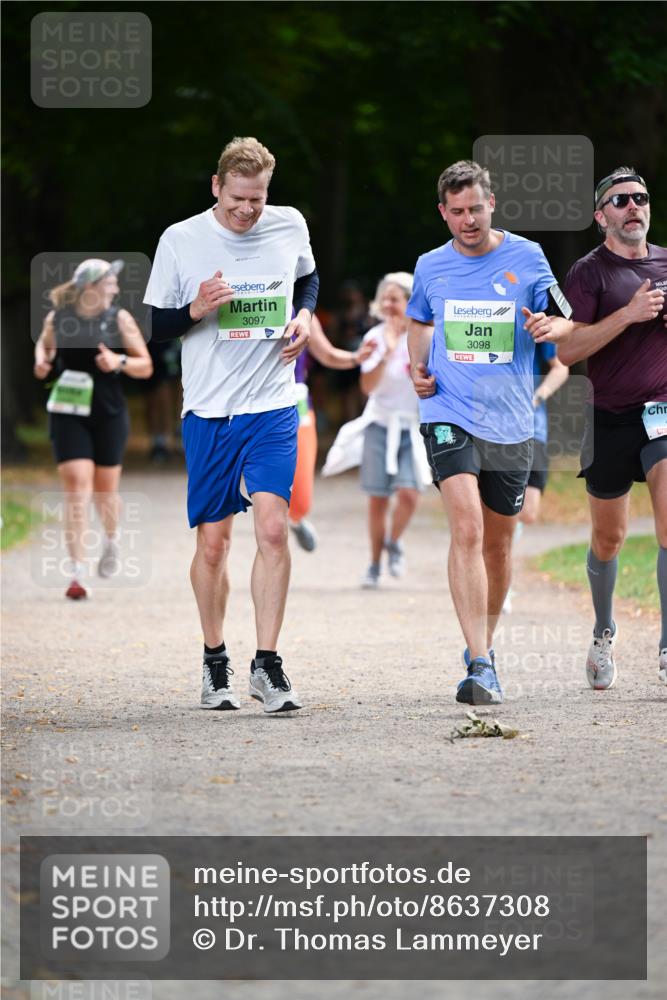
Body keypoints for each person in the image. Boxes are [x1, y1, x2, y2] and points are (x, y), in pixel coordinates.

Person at [143, 136, 318, 714]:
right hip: (210, 411)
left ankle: (267, 665)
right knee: (214, 545)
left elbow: (307, 278)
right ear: (217, 187)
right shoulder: (181, 239)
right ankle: (214, 659)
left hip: (271, 404)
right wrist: (195, 310)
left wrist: (304, 316)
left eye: (258, 200)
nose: (248, 211)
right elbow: (154, 327)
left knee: (273, 529)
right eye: (239, 199)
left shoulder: (289, 224)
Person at [406, 160, 573, 705]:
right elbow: (420, 320)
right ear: (443, 213)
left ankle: (487, 647)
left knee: (500, 545)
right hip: (447, 412)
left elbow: (567, 316)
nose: (467, 220)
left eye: (475, 208)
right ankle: (478, 660)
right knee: (468, 529)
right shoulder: (430, 266)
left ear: (491, 203)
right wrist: (417, 366)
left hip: (510, 417)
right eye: (456, 212)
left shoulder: (527, 257)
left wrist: (551, 326)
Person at [559, 167, 667, 689]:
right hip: (607, 418)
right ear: (602, 216)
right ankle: (603, 630)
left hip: (663, 411)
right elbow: (567, 349)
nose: (634, 206)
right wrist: (628, 314)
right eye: (621, 200)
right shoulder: (588, 272)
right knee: (610, 537)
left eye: (641, 198)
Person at [33, 258, 153, 599]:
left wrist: (120, 361)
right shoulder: (59, 318)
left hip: (109, 412)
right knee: (76, 487)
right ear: (90, 287)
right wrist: (41, 361)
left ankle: (111, 539)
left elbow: (145, 366)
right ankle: (77, 573)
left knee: (104, 492)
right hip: (69, 411)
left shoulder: (119, 319)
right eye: (110, 282)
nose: (115, 288)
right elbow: (44, 344)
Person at [322, 272, 431, 587]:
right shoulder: (374, 338)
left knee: (410, 494)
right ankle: (373, 564)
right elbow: (368, 387)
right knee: (378, 500)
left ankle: (393, 542)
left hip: (412, 427)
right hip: (379, 424)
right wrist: (388, 350)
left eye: (395, 298)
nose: (388, 304)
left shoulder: (427, 337)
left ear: (411, 302)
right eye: (385, 298)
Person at [289, 314, 374, 552]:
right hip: (247, 404)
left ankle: (296, 518)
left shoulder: (302, 312)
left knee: (301, 492)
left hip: (296, 404)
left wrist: (357, 357)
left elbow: (326, 354)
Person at [501, 343, 569, 613]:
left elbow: (560, 368)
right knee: (500, 510)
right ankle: (499, 579)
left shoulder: (535, 326)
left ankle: (496, 555)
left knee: (528, 511)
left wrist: (539, 395)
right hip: (493, 427)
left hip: (532, 427)